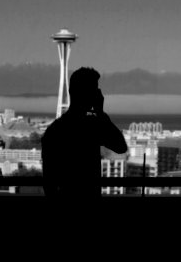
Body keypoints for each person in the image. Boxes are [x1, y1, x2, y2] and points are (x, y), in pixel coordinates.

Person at [41, 67, 127, 198]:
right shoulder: (92, 125)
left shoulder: (55, 130)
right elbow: (120, 146)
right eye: (93, 90)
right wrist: (99, 114)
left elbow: (120, 147)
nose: (96, 94)